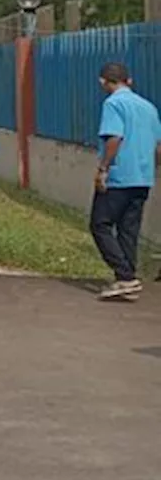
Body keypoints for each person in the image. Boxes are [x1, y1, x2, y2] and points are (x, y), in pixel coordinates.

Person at [90, 62, 161, 301]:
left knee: (99, 223)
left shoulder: (113, 104)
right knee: (129, 229)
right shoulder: (148, 107)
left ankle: (125, 275)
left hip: (120, 175)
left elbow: (114, 138)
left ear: (103, 81)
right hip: (143, 176)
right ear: (128, 81)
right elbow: (159, 145)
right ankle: (127, 278)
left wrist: (103, 169)